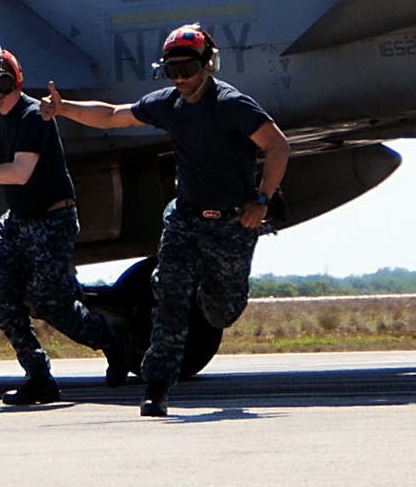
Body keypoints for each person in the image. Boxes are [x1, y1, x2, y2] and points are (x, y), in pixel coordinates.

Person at [44, 24, 289, 418]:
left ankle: (195, 291)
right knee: (170, 301)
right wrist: (63, 109)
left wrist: (261, 200)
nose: (180, 79)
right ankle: (156, 388)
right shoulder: (168, 105)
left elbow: (277, 145)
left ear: (208, 65)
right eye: (172, 70)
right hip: (185, 219)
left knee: (222, 311)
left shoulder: (231, 105)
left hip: (231, 225)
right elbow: (112, 116)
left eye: (188, 69)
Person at [0, 49, 137, 405]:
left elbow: (18, 173)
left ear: (3, 83)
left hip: (52, 219)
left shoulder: (33, 117)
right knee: (0, 297)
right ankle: (38, 374)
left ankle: (113, 339)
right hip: (18, 221)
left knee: (53, 304)